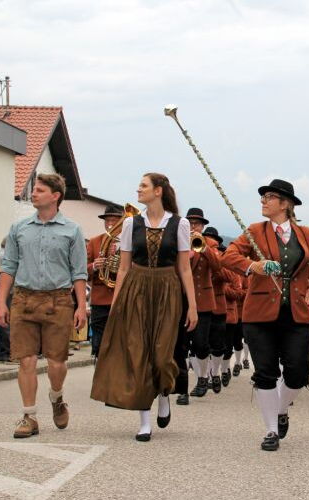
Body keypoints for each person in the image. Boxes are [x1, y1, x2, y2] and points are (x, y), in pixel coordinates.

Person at [223, 179, 309, 452]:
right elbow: (228, 256)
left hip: (296, 314)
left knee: (298, 372)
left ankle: (281, 409)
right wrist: (253, 266)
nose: (263, 201)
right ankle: (271, 430)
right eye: (263, 197)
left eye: (270, 197)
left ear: (285, 204)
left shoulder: (307, 234)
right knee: (266, 373)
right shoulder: (254, 231)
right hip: (259, 314)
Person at [91, 173, 197, 441]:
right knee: (138, 354)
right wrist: (116, 304)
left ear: (158, 191)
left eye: (143, 186)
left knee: (162, 355)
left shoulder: (180, 224)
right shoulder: (131, 224)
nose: (138, 189)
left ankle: (163, 393)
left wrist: (192, 306)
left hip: (167, 289)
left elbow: (185, 268)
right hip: (136, 289)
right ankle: (144, 421)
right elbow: (123, 268)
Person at [0, 173, 88, 439]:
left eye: (39, 190)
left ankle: (57, 397)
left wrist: (81, 306)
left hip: (58, 300)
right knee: (26, 360)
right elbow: (9, 267)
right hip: (24, 299)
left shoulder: (72, 230)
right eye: (34, 189)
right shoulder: (19, 228)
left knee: (56, 363)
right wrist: (2, 302)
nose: (33, 194)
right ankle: (29, 416)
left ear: (55, 196)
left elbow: (78, 272)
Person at [184, 207, 224, 397]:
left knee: (201, 344)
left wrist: (204, 248)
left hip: (202, 301)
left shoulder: (211, 244)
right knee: (182, 346)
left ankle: (204, 376)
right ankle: (186, 386)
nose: (193, 227)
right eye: (190, 223)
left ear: (202, 226)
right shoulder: (178, 240)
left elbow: (218, 267)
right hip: (182, 299)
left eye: (197, 224)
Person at [86, 205, 124, 358]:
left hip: (121, 298)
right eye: (107, 221)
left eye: (114, 221)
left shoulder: (130, 243)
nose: (110, 224)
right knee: (99, 342)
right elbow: (83, 270)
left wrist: (120, 262)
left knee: (120, 341)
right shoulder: (94, 242)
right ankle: (99, 368)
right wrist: (95, 266)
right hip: (100, 300)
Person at [204, 226, 234, 388]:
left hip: (219, 307)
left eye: (212, 238)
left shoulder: (222, 256)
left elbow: (230, 277)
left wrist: (215, 267)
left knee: (219, 345)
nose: (209, 240)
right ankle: (207, 376)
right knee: (202, 345)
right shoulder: (197, 255)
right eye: (206, 237)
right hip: (201, 305)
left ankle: (217, 371)